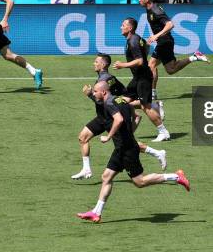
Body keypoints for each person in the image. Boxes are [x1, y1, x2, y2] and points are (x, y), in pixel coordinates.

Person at [76, 81, 189, 223]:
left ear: (103, 92)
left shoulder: (110, 104)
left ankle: (176, 177)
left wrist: (109, 136)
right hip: (122, 148)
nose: (94, 94)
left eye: (95, 92)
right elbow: (136, 116)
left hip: (127, 149)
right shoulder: (121, 100)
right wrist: (128, 133)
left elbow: (119, 119)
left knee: (140, 182)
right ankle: (96, 213)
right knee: (106, 177)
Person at [72, 54, 167, 180]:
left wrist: (90, 94)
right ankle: (86, 169)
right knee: (83, 137)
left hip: (110, 118)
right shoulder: (109, 78)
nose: (94, 63)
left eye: (96, 61)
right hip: (102, 117)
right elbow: (123, 92)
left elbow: (102, 102)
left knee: (126, 144)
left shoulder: (104, 81)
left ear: (104, 64)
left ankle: (157, 153)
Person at [139, 0, 209, 100]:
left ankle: (152, 93)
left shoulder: (155, 10)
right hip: (163, 42)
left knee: (157, 66)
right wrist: (154, 36)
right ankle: (194, 57)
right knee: (166, 68)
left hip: (165, 42)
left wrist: (156, 36)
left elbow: (170, 24)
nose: (139, 0)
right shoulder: (149, 9)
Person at [113, 18, 171, 142]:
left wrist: (122, 65)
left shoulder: (133, 41)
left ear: (130, 28)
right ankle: (155, 105)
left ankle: (163, 131)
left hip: (143, 78)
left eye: (123, 25)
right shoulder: (136, 38)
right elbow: (145, 49)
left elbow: (139, 61)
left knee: (146, 107)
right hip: (138, 78)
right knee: (122, 102)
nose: (120, 27)